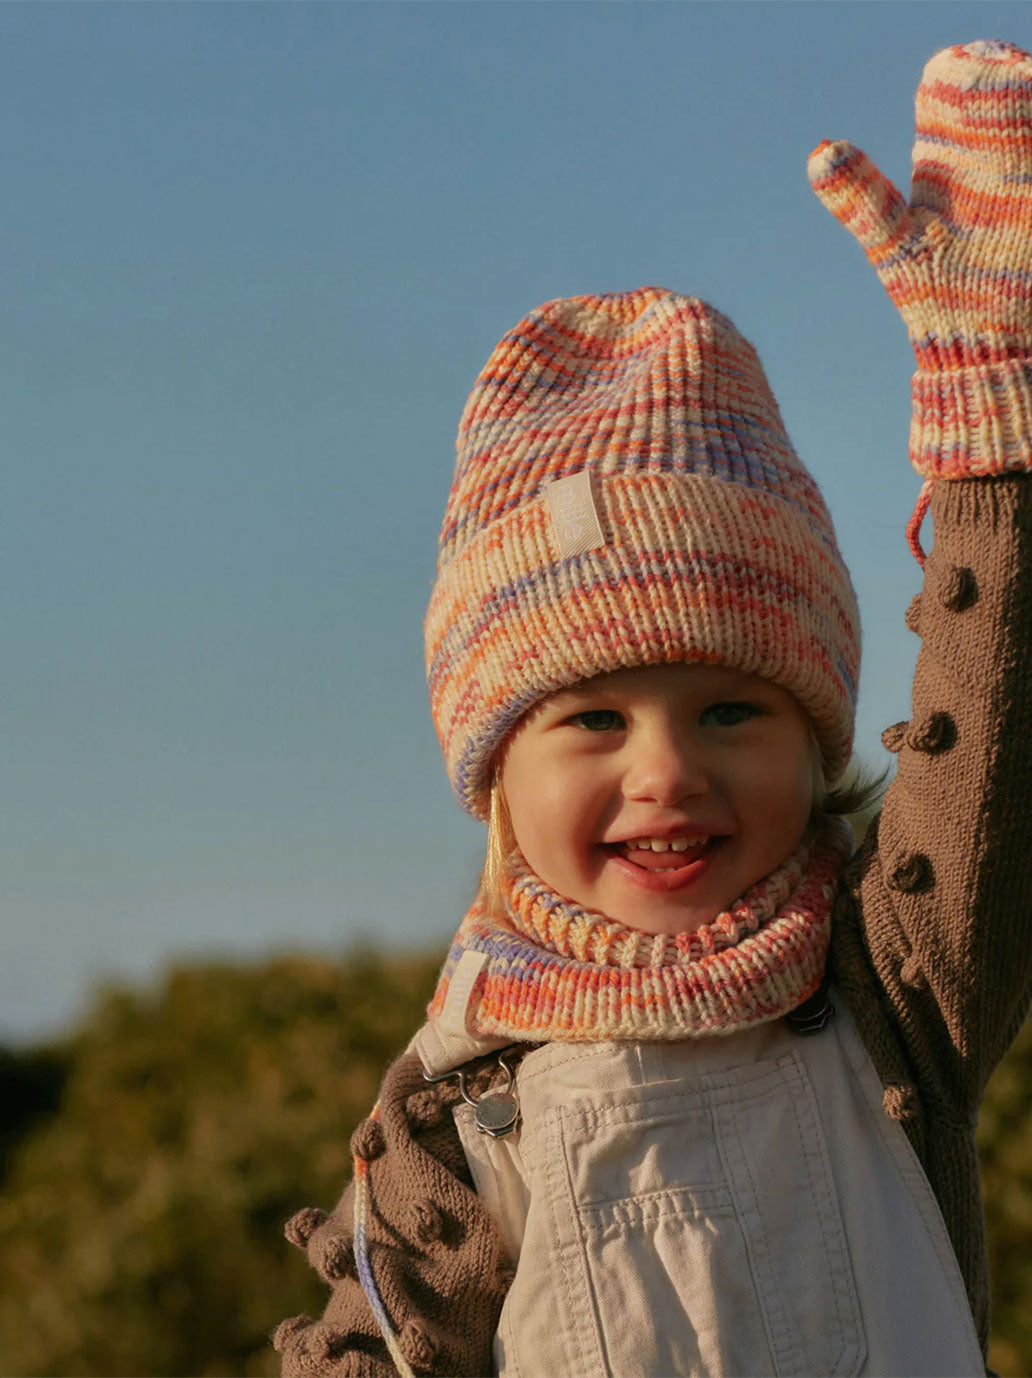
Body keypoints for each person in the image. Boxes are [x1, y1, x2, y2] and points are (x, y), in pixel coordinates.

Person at [274, 39, 1032, 1378]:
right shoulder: (462, 1123)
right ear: (495, 767)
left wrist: (996, 454)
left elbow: (998, 739)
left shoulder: (892, 976)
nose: (667, 768)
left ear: (816, 740)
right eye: (594, 719)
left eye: (734, 708)